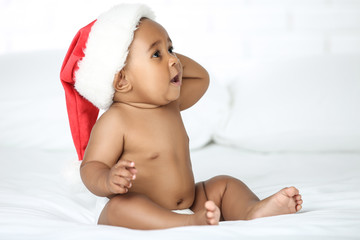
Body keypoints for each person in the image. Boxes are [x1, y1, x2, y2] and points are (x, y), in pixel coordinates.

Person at [60, 4, 302, 230]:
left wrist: (164, 56)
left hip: (192, 199)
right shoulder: (116, 120)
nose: (174, 59)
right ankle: (185, 223)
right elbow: (91, 166)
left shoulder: (170, 103)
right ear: (122, 80)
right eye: (157, 54)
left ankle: (253, 210)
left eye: (171, 49)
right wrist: (107, 180)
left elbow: (201, 78)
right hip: (138, 204)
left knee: (224, 184)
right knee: (119, 208)